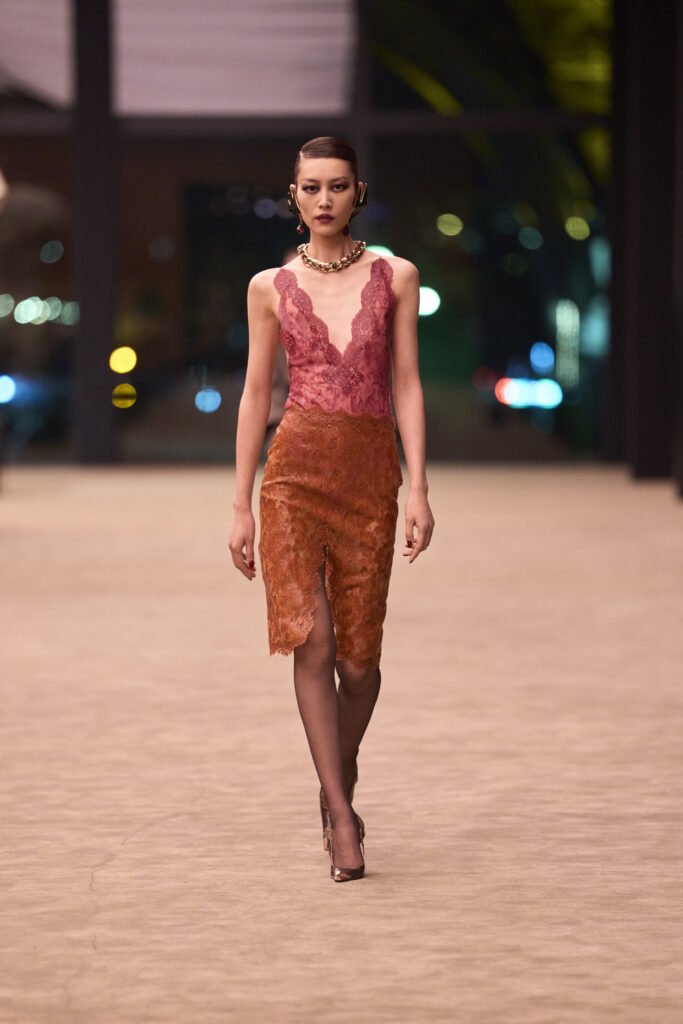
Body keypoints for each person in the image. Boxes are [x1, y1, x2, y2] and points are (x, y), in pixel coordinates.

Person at [229, 137, 435, 883]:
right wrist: (241, 504)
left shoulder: (397, 275)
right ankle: (342, 816)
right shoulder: (269, 287)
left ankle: (336, 772)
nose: (323, 199)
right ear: (293, 196)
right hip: (292, 477)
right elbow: (256, 393)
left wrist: (418, 487)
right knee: (312, 642)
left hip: (371, 477)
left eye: (337, 186)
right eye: (310, 187)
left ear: (358, 193)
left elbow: (406, 383)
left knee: (360, 661)